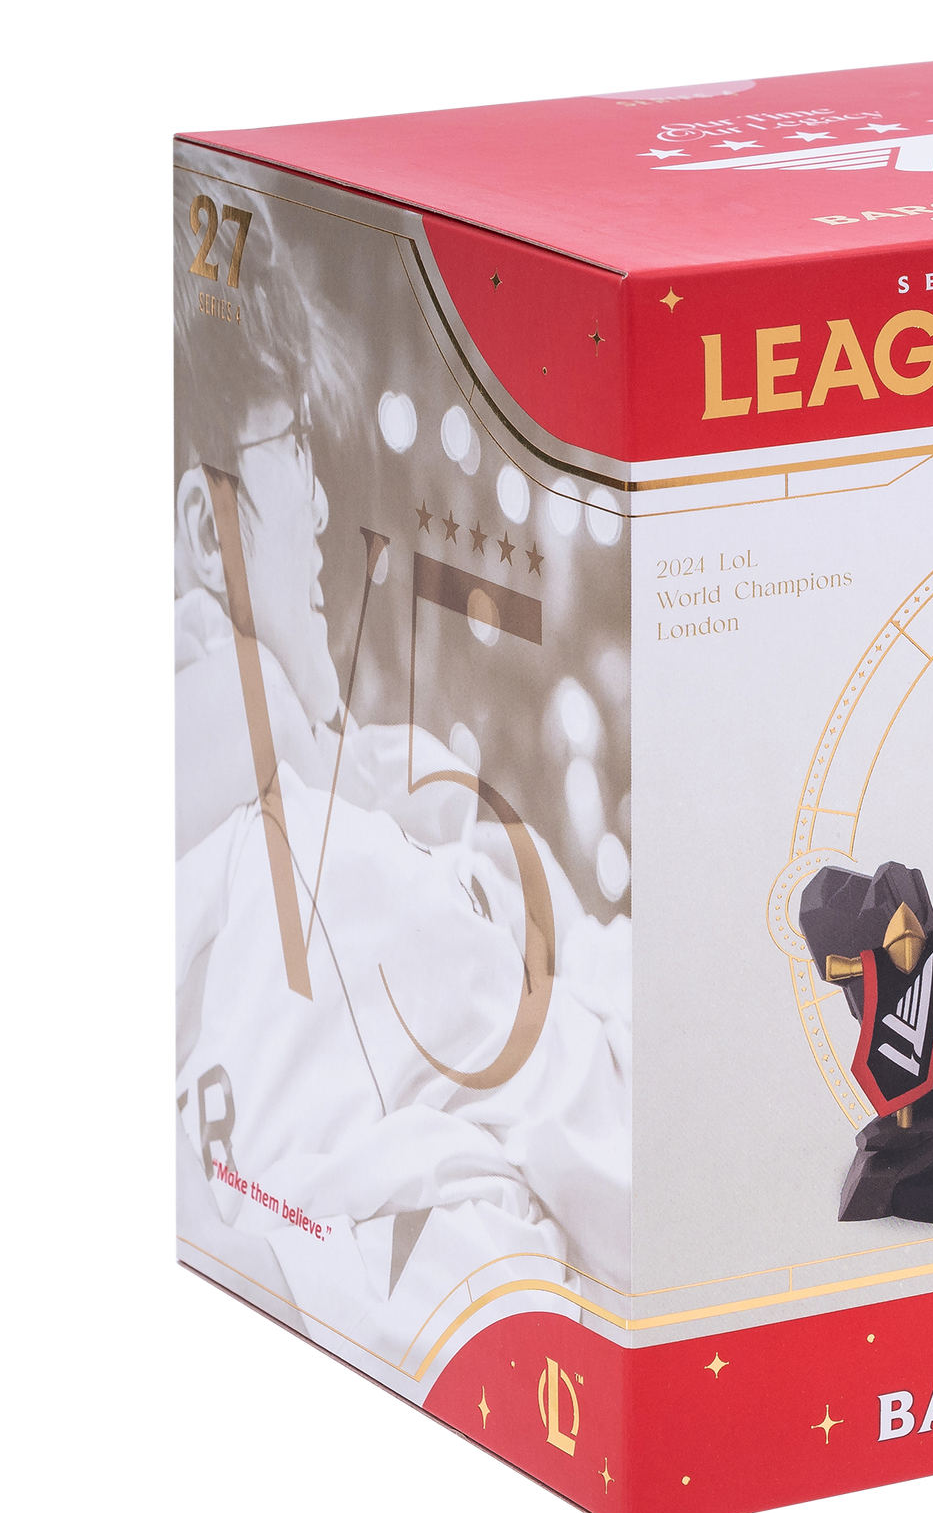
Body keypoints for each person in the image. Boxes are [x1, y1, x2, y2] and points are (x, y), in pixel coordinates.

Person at [171, 187, 630, 1366]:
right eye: (293, 452)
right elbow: (616, 1158)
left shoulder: (334, 792)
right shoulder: (316, 844)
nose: (326, 506)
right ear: (204, 527)